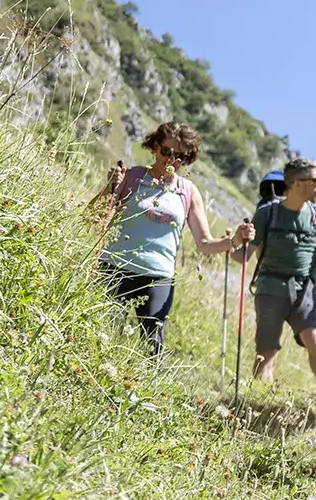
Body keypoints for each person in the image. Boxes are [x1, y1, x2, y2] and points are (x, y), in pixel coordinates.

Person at [94, 122, 253, 354]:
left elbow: (205, 244)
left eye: (180, 156)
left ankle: (142, 389)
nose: (171, 160)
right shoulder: (132, 176)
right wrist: (110, 188)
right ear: (155, 147)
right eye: (166, 152)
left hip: (159, 277)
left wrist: (236, 240)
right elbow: (92, 215)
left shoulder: (187, 191)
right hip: (116, 268)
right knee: (102, 336)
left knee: (152, 347)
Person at [242, 156, 316, 394]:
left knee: (315, 341)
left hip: (304, 290)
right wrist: (235, 241)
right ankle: (259, 397)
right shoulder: (268, 213)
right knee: (267, 349)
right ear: (297, 183)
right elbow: (243, 256)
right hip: (270, 287)